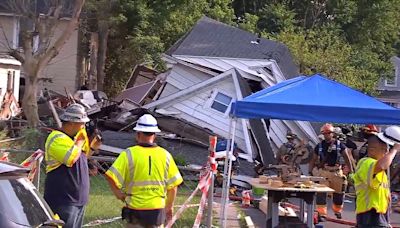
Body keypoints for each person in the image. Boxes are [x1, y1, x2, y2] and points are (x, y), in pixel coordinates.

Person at [106, 114, 183, 228]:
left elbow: (110, 175)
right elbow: (173, 186)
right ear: (155, 135)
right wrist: (169, 207)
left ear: (138, 134)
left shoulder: (129, 154)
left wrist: (119, 194)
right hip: (156, 211)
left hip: (135, 209)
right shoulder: (165, 155)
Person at [43, 103, 95, 228]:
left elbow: (82, 157)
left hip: (77, 200)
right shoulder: (57, 138)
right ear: (71, 122)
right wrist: (80, 141)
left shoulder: (75, 139)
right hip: (63, 199)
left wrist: (92, 146)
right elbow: (70, 159)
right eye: (82, 123)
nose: (83, 126)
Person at [353, 126, 400, 227]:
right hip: (369, 216)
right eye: (384, 150)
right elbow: (382, 165)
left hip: (379, 217)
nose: (386, 153)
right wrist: (394, 150)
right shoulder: (366, 162)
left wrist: (387, 221)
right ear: (372, 150)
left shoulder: (380, 170)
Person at [309, 123, 351, 220]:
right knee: (321, 194)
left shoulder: (340, 145)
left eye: (328, 133)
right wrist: (310, 172)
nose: (327, 135)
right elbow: (313, 159)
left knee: (339, 194)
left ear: (333, 133)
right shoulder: (319, 146)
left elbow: (347, 157)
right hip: (324, 172)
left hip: (337, 172)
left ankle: (337, 211)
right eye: (325, 133)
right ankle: (322, 214)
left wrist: (350, 171)